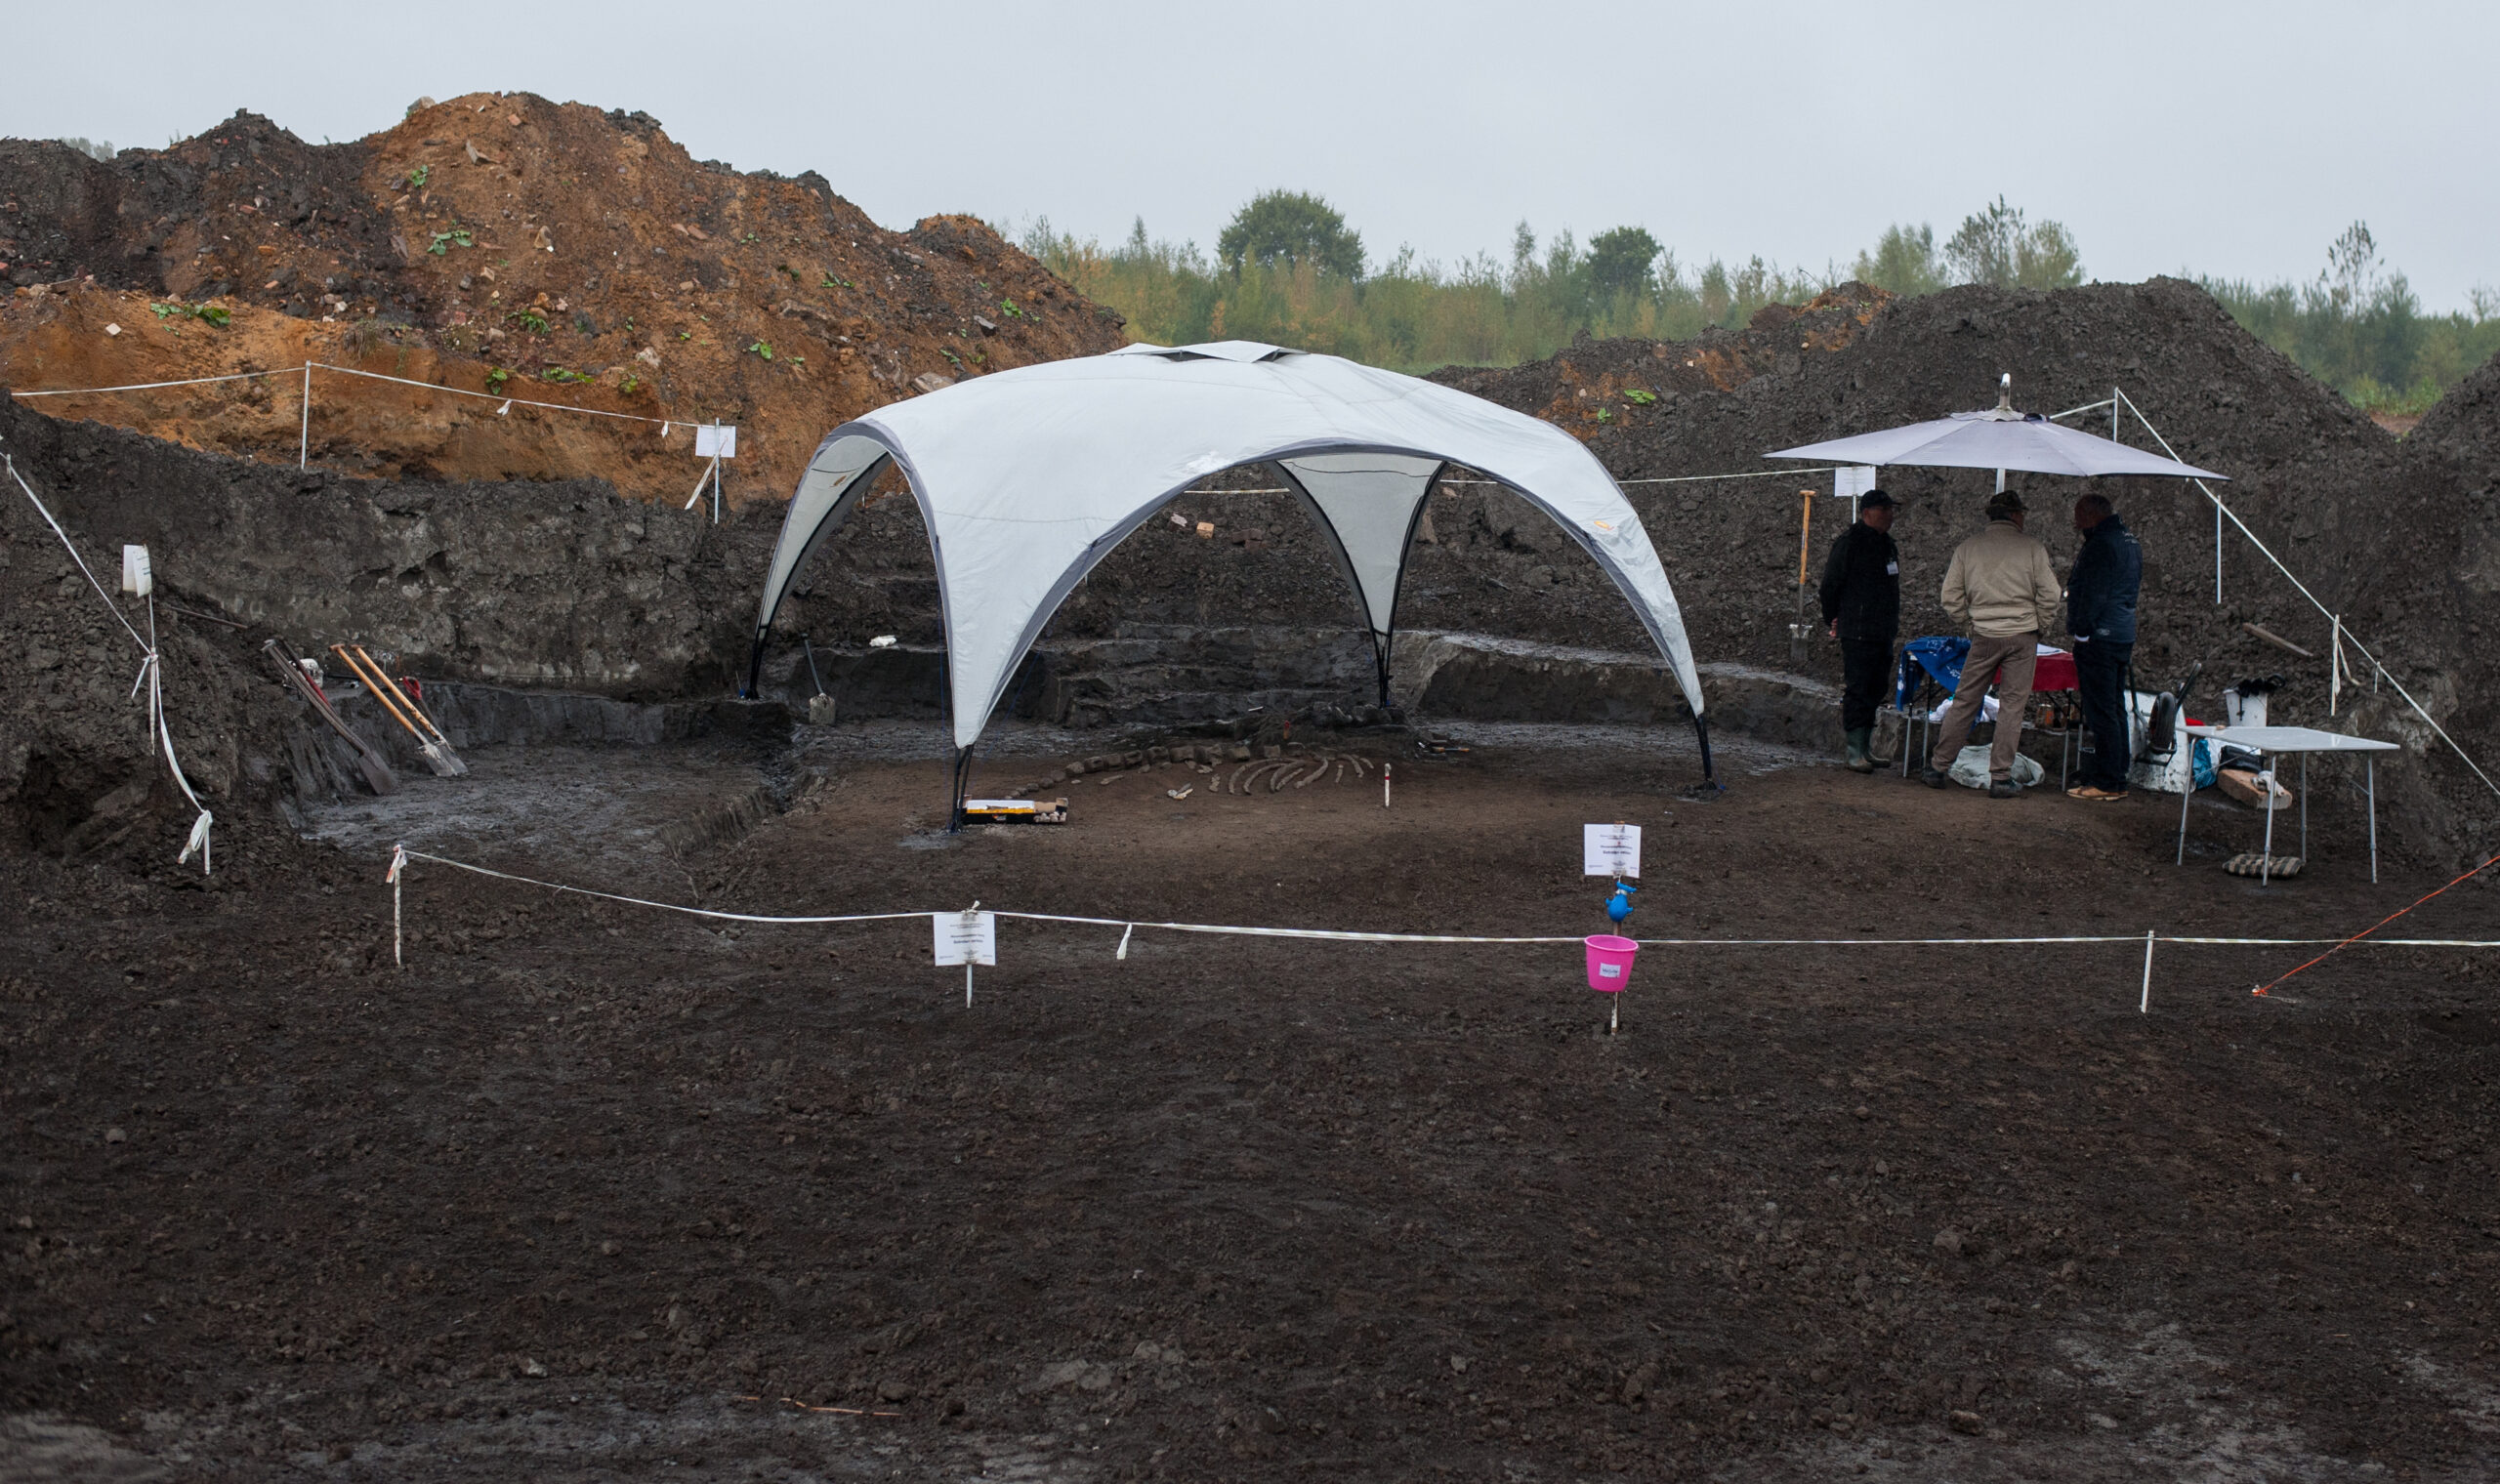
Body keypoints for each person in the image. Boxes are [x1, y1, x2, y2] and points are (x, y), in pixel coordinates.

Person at [1922, 489, 2062, 798]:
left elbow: (1950, 597)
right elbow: (2051, 595)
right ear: (2016, 516)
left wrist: (1970, 623)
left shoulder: (1968, 548)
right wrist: (2040, 626)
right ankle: (2000, 778)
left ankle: (1937, 767)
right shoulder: (2032, 548)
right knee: (2012, 706)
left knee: (1965, 701)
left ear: (1990, 515)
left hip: (1984, 636)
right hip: (2022, 636)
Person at [2063, 492, 2144, 801]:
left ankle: (2107, 780)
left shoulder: (2101, 545)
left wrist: (2082, 631)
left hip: (2101, 635)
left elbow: (2093, 593)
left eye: (2079, 515)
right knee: (2114, 707)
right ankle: (2116, 775)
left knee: (2100, 711)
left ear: (2093, 514)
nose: (2075, 522)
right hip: (2122, 632)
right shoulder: (2129, 542)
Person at [1817, 488, 1901, 772]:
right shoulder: (1849, 543)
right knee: (1858, 687)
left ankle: (1866, 746)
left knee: (1877, 686)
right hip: (1858, 629)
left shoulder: (1888, 544)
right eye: (1885, 509)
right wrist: (1832, 617)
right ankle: (1854, 749)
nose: (1891, 515)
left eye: (1891, 509)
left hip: (1882, 629)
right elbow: (1830, 585)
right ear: (1867, 513)